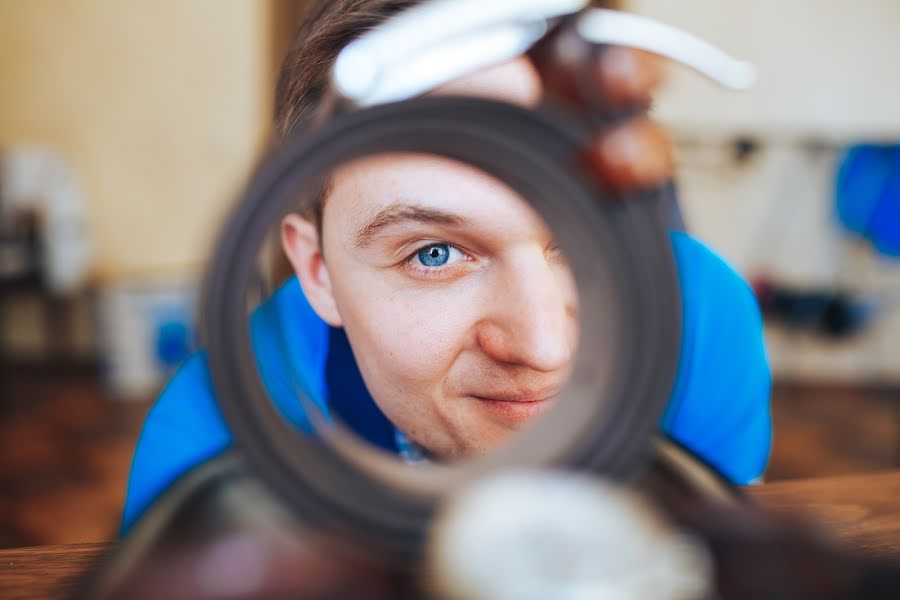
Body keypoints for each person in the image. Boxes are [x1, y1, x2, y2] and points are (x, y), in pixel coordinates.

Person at [122, 0, 771, 532]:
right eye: (434, 254)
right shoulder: (211, 451)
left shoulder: (703, 322)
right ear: (318, 269)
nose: (542, 348)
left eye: (584, 232)